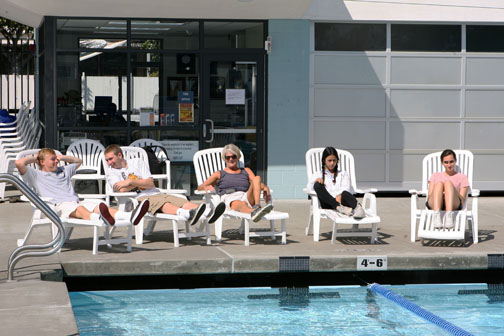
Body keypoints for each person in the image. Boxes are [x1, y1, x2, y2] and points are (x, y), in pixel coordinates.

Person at [15, 148, 149, 226]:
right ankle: (100, 220)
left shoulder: (63, 170)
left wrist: (62, 157)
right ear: (42, 162)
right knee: (80, 209)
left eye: (56, 159)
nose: (56, 161)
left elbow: (79, 161)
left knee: (99, 206)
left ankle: (129, 216)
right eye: (52, 159)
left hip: (76, 201)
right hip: (56, 206)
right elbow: (19, 162)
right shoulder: (35, 175)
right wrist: (37, 157)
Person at [104, 144, 225, 225]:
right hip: (136, 201)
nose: (109, 163)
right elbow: (122, 191)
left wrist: (129, 182)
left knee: (181, 201)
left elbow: (150, 183)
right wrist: (140, 182)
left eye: (111, 159)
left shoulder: (137, 162)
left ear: (119, 155)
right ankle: (188, 214)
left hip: (155, 192)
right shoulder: (111, 173)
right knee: (163, 203)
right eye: (107, 160)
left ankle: (208, 212)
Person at [197, 144, 273, 222]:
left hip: (246, 196)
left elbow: (256, 183)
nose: (231, 159)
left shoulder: (246, 171)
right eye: (228, 157)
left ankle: (257, 207)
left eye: (233, 156)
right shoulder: (219, 174)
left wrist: (265, 187)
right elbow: (200, 187)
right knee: (240, 204)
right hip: (230, 198)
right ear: (224, 159)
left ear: (238, 157)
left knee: (257, 178)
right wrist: (205, 187)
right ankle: (254, 213)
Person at [307, 147, 366, 219]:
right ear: (324, 161)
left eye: (334, 160)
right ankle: (337, 206)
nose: (332, 163)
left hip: (342, 203)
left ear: (337, 161)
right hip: (327, 203)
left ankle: (358, 208)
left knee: (345, 193)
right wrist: (316, 180)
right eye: (329, 160)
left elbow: (346, 187)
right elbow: (309, 188)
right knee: (317, 185)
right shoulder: (318, 174)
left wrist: (339, 195)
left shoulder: (343, 174)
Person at [427, 149, 469, 229]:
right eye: (446, 162)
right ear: (442, 163)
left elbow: (462, 200)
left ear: (455, 161)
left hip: (453, 203)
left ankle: (449, 217)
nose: (449, 165)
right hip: (435, 204)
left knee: (448, 183)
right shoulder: (435, 176)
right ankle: (437, 216)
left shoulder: (462, 177)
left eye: (451, 162)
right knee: (439, 183)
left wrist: (449, 190)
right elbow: (429, 196)